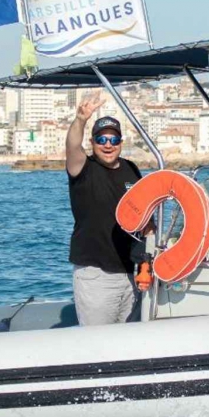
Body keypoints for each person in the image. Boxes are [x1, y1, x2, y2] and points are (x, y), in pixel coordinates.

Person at [66, 92, 144, 325]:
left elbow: (144, 209)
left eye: (113, 140)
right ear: (92, 143)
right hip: (96, 275)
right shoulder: (83, 168)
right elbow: (72, 145)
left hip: (131, 272)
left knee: (128, 339)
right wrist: (81, 119)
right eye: (101, 140)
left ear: (120, 143)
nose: (108, 145)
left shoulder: (131, 169)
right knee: (98, 341)